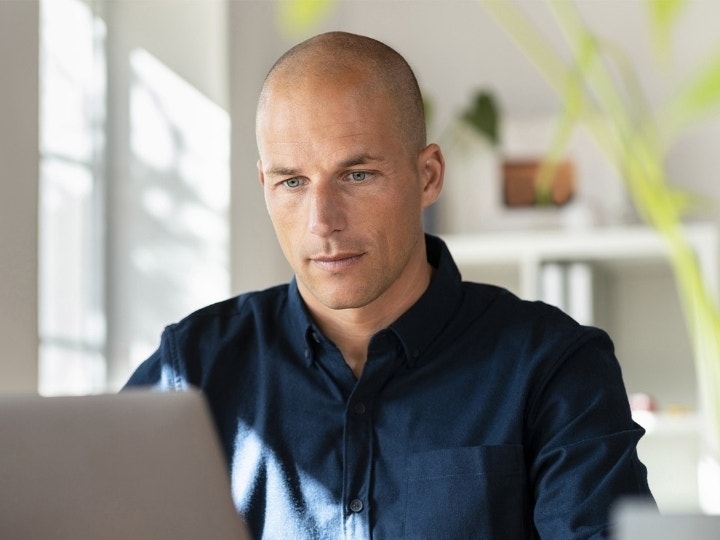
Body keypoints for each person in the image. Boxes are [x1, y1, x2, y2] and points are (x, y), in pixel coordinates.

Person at [125, 31, 654, 538]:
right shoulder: (191, 367)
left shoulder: (553, 366)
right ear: (264, 184)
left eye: (357, 175)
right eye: (292, 182)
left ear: (428, 176)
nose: (322, 221)